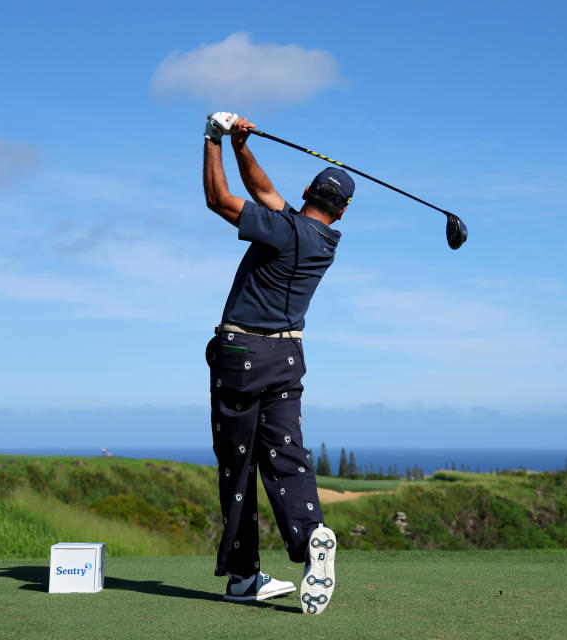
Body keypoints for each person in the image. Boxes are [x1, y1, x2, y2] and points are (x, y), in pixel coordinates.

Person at [202, 112, 350, 614]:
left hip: (243, 354)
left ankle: (244, 575)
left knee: (238, 467)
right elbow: (264, 193)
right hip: (287, 357)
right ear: (342, 212)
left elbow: (220, 201)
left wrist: (213, 140)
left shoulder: (287, 232)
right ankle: (312, 538)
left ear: (308, 188)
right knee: (287, 456)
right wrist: (243, 147)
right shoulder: (319, 240)